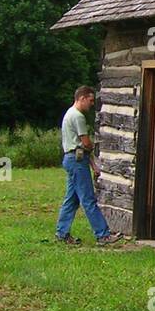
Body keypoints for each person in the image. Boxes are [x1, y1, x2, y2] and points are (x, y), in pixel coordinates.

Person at [55, 85, 122, 246]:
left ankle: (62, 233)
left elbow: (82, 147)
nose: (92, 104)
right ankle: (102, 235)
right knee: (88, 199)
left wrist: (93, 165)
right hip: (77, 161)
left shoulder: (69, 114)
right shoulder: (78, 116)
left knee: (72, 199)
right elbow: (85, 143)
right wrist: (91, 149)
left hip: (73, 159)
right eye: (90, 100)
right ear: (82, 98)